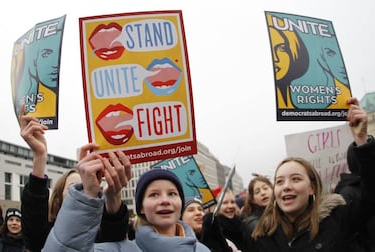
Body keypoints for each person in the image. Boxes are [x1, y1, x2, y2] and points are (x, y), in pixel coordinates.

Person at [232, 97, 375, 251]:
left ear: (312, 187)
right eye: (279, 181)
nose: (286, 186)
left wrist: (362, 140)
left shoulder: (339, 218)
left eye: (296, 179)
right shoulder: (262, 235)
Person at [19, 104, 131, 251]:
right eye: (74, 187)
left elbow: (115, 235)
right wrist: (40, 156)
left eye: (84, 186)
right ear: (58, 197)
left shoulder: (99, 233)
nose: (83, 189)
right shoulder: (46, 234)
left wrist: (113, 195)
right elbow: (34, 221)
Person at [42, 168, 210, 251]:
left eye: (172, 194)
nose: (165, 200)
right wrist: (87, 195)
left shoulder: (202, 250)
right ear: (141, 208)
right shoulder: (119, 249)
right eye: (154, 195)